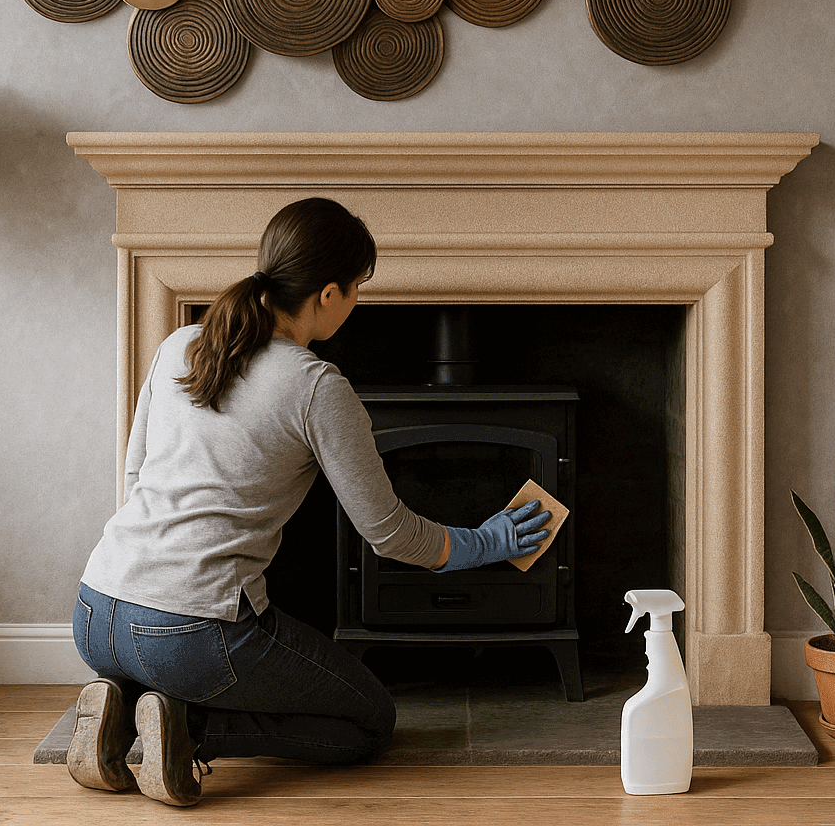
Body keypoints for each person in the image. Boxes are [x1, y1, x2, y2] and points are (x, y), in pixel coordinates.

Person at [68, 197, 551, 807]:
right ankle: (190, 727)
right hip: (190, 633)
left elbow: (133, 479)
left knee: (196, 653)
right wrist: (489, 541)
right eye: (355, 289)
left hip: (95, 609)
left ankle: (126, 705)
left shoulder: (179, 345)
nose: (355, 303)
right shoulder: (316, 386)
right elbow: (390, 533)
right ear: (327, 294)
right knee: (369, 720)